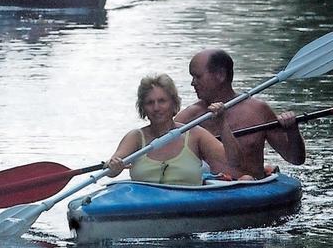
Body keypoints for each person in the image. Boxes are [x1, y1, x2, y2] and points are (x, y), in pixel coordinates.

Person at [174, 48, 305, 179]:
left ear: (220, 75)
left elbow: (295, 159)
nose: (192, 83)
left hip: (251, 191)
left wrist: (292, 131)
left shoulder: (258, 111)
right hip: (207, 192)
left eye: (198, 76)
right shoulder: (188, 117)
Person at [107, 73, 242, 185]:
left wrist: (222, 123)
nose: (156, 108)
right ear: (143, 108)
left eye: (162, 101)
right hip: (146, 209)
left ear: (173, 103)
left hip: (188, 206)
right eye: (150, 103)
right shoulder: (135, 137)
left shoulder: (195, 134)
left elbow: (234, 162)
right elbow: (111, 170)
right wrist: (113, 166)